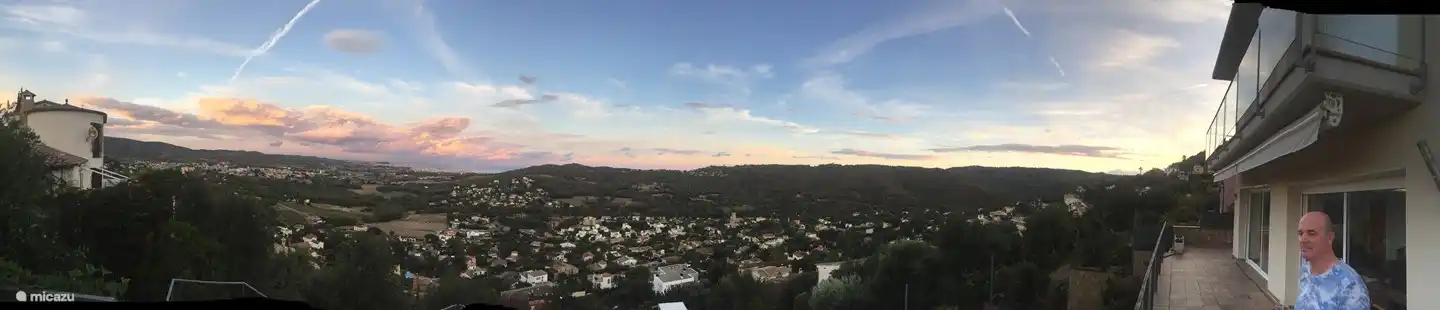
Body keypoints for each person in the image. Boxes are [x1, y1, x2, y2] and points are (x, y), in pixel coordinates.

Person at [1295, 211, 1370, 310]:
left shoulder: (1350, 286)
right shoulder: (1305, 270)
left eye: (1311, 233)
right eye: (1300, 233)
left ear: (1330, 237)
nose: (1303, 239)